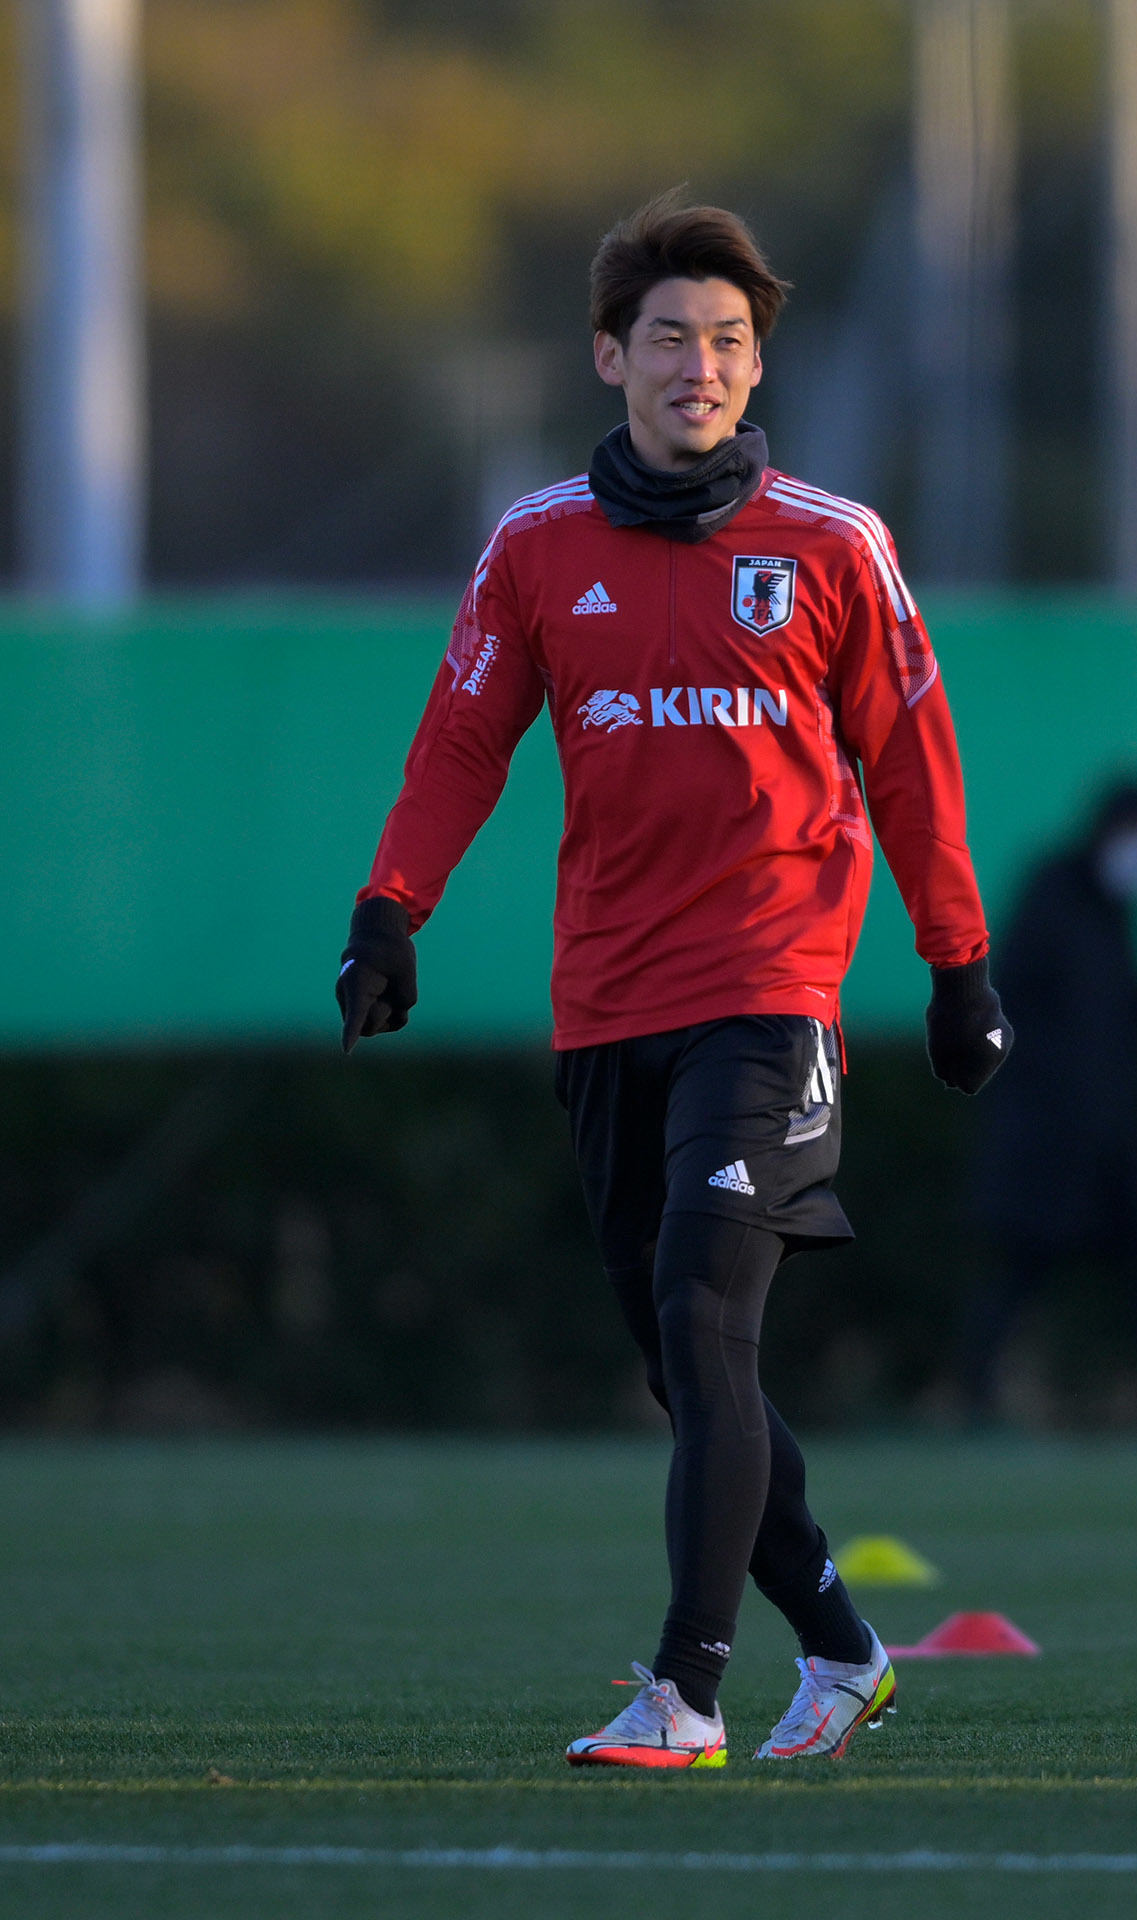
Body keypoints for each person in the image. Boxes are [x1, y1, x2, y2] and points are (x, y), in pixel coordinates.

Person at [337, 194, 1012, 1771]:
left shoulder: (835, 544)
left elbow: (916, 762)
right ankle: (845, 1649)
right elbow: (458, 745)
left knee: (710, 1319)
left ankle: (685, 1690)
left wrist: (960, 962)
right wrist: (388, 911)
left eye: (726, 341)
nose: (698, 366)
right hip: (607, 1005)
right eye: (668, 340)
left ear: (754, 364)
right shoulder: (534, 549)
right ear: (607, 359)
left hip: (773, 992)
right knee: (677, 1357)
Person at [960, 777, 1137, 1423]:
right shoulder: (1055, 893)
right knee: (1022, 1268)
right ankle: (971, 1399)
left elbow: (1115, 1012)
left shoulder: (1114, 912)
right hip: (1051, 1136)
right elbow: (1022, 1005)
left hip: (1111, 1136)